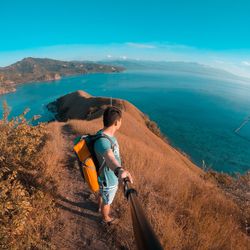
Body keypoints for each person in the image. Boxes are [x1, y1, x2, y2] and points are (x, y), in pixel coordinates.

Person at [94, 106, 133, 225]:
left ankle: (99, 207)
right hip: (109, 179)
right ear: (116, 122)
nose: (121, 122)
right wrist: (120, 171)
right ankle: (106, 218)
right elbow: (109, 157)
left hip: (103, 177)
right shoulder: (103, 141)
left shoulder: (102, 134)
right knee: (108, 201)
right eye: (120, 120)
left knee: (102, 194)